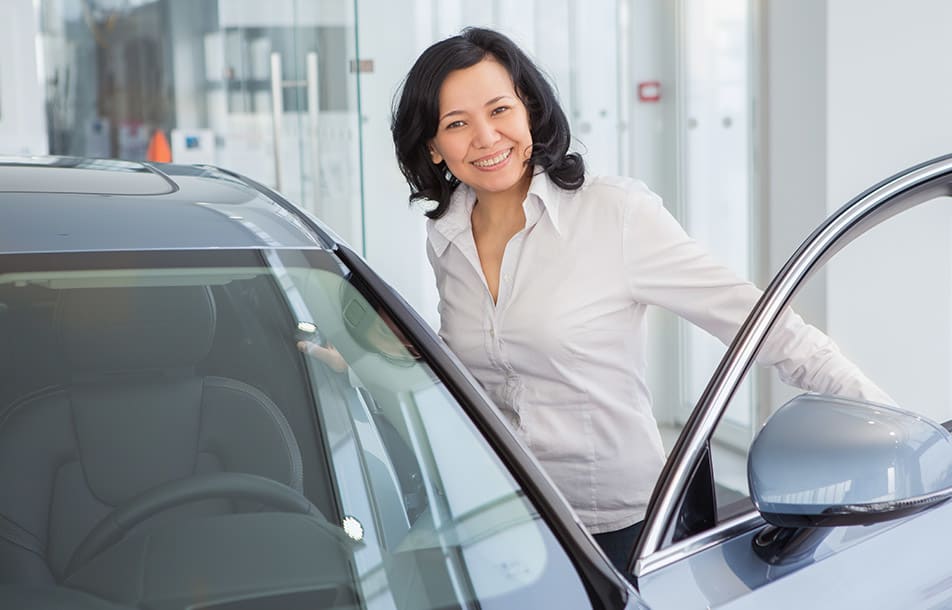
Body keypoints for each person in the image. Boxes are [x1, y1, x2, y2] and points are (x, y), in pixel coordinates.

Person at [390, 27, 892, 572]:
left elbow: (763, 326)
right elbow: (471, 365)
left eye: (500, 110)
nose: (486, 138)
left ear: (529, 110)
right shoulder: (447, 235)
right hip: (508, 513)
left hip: (620, 524)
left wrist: (892, 433)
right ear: (434, 147)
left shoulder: (615, 215)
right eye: (457, 124)